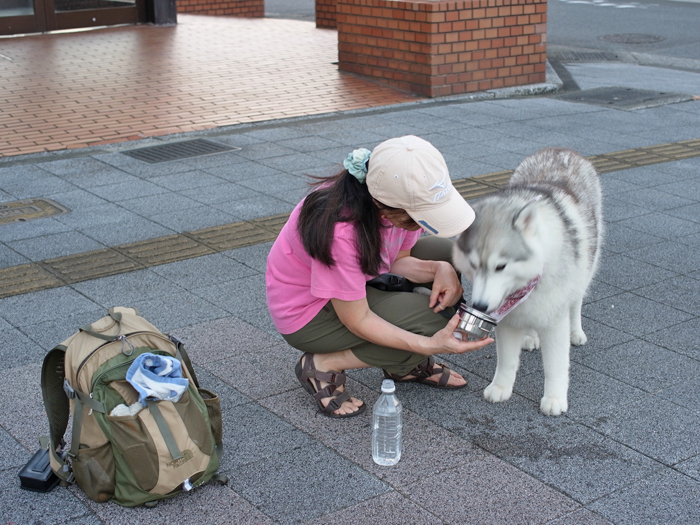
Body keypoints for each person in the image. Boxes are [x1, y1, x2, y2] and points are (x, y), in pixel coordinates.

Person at [265, 135, 493, 418]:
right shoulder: (342, 232)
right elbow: (358, 320)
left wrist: (440, 269)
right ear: (386, 206)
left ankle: (404, 364)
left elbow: (398, 260)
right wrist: (428, 344)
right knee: (434, 322)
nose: (423, 224)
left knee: (446, 254)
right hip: (309, 313)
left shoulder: (387, 197)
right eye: (419, 217)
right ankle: (325, 363)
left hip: (352, 284)